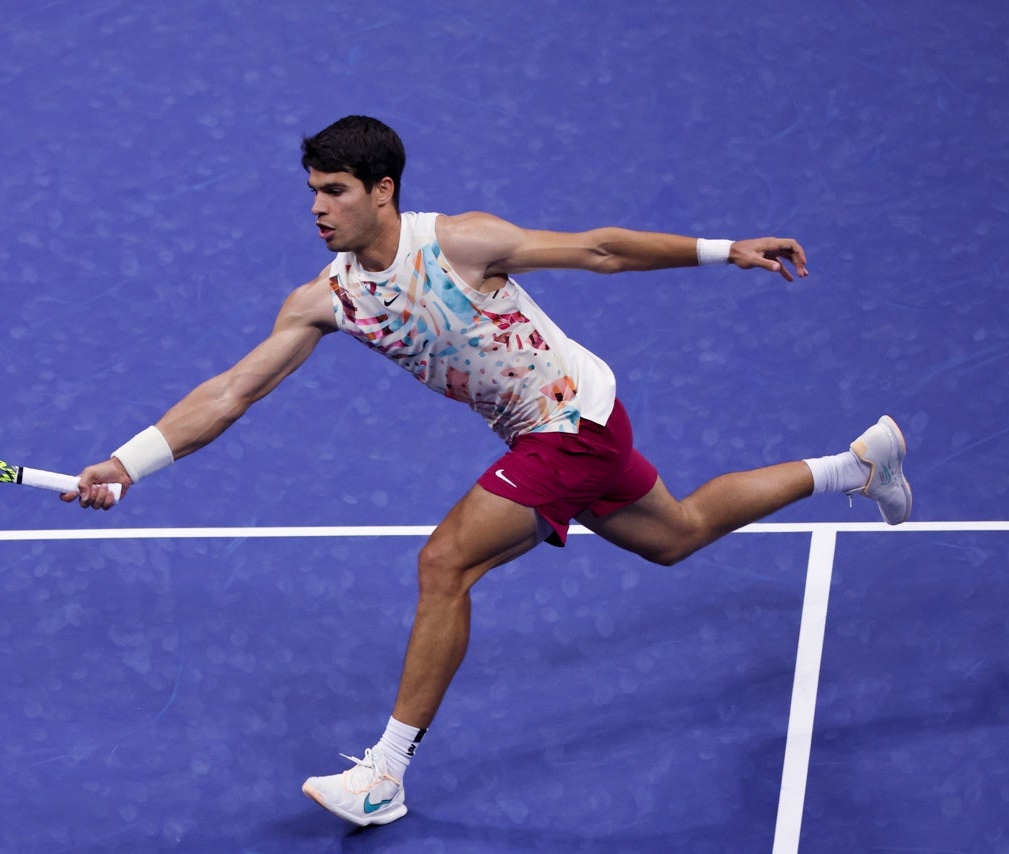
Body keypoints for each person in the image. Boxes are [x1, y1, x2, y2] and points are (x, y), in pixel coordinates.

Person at [63, 115, 912, 827]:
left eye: (336, 191)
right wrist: (130, 465)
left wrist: (726, 248)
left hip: (567, 424)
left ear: (382, 190)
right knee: (678, 534)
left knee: (444, 563)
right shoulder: (325, 298)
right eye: (313, 192)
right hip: (560, 427)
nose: (318, 209)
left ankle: (385, 776)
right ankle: (857, 465)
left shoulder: (460, 242)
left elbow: (600, 250)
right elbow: (231, 391)